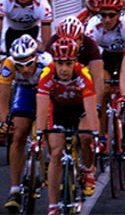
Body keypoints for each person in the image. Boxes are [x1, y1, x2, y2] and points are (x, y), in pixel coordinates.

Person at [36, 37, 100, 210]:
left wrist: (95, 134)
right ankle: (53, 206)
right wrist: (39, 134)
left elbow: (91, 109)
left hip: (80, 109)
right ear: (54, 63)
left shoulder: (83, 74)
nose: (64, 69)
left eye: (69, 64)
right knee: (56, 153)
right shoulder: (47, 74)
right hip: (59, 111)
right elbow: (42, 107)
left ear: (75, 62)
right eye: (60, 64)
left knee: (86, 136)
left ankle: (88, 170)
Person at [0, 35, 52, 213]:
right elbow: (3, 96)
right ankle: (14, 190)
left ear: (36, 57)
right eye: (19, 65)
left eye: (28, 64)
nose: (25, 69)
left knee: (53, 135)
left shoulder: (47, 62)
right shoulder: (8, 64)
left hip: (48, 94)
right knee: (18, 135)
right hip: (26, 93)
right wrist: (4, 121)